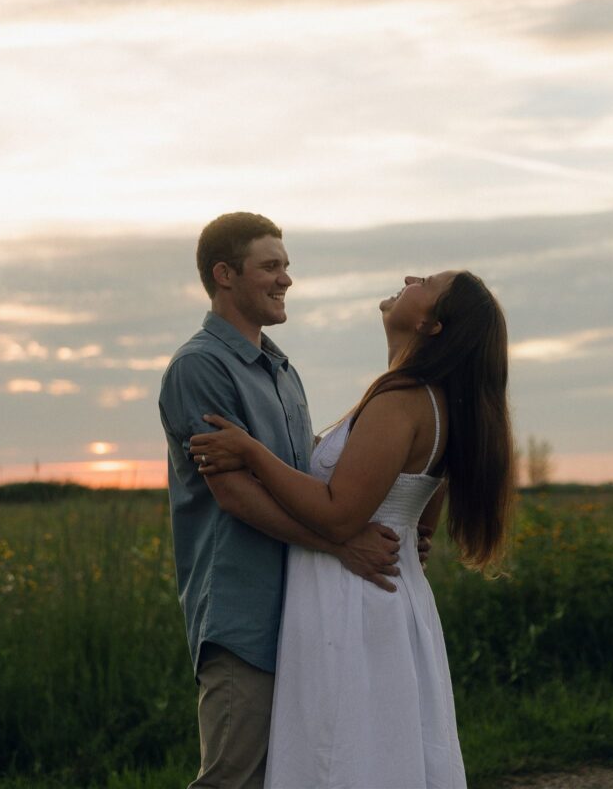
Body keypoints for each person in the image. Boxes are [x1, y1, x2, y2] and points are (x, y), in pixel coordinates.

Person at [191, 268, 515, 789]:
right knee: (378, 753)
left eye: (426, 282)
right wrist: (404, 529)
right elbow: (422, 508)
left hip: (351, 603)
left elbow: (338, 512)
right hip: (383, 593)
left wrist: (250, 451)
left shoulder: (402, 401)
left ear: (432, 324)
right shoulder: (431, 398)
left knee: (340, 754)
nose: (409, 277)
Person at [159, 213, 432, 789]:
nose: (286, 279)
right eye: (272, 266)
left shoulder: (281, 370)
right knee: (233, 778)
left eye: (287, 266)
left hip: (307, 611)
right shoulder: (199, 367)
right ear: (225, 274)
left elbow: (308, 472)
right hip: (243, 612)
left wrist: (396, 523)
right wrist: (342, 543)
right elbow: (234, 494)